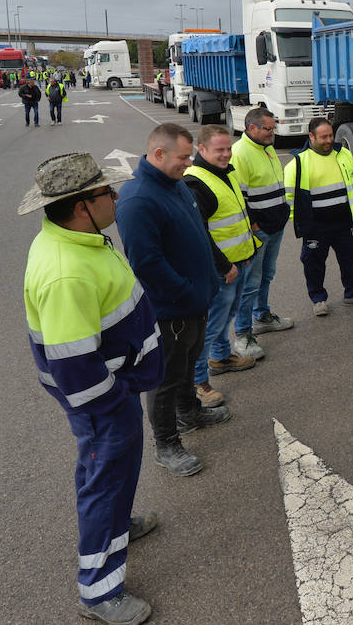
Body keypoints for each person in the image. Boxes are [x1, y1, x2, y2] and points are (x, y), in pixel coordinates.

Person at [18, 152, 161, 624]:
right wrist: (115, 403)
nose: (115, 197)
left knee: (111, 477)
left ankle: (117, 526)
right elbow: (75, 366)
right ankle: (100, 591)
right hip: (103, 401)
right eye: (106, 192)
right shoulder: (67, 271)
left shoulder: (80, 241)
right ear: (82, 205)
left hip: (112, 392)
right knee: (104, 481)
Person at [118, 123, 230, 479]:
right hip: (170, 308)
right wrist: (184, 290)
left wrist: (210, 278)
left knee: (187, 363)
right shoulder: (138, 200)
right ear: (159, 153)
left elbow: (198, 232)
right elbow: (147, 264)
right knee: (166, 377)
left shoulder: (176, 185)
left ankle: (190, 412)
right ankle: (166, 443)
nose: (189, 163)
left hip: (195, 300)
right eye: (183, 157)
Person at [183, 124, 260, 393]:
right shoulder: (195, 183)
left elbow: (235, 215)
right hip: (222, 269)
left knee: (227, 316)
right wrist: (225, 266)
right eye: (220, 149)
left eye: (229, 148)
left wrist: (247, 253)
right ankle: (199, 382)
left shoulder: (224, 172)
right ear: (201, 149)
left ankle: (222, 356)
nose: (227, 154)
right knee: (212, 325)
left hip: (237, 262)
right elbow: (200, 233)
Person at [284, 117, 353, 315]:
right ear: (311, 137)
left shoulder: (344, 155)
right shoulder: (297, 164)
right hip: (316, 227)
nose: (328, 141)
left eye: (330, 136)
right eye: (323, 137)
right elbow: (290, 199)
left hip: (345, 223)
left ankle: (352, 293)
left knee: (350, 260)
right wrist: (301, 223)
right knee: (314, 264)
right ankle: (318, 299)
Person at [231, 107, 294, 357]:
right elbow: (239, 197)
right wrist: (255, 225)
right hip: (259, 231)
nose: (272, 133)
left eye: (273, 128)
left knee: (266, 275)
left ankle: (262, 316)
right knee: (249, 283)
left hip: (274, 226)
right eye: (268, 129)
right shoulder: (240, 153)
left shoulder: (266, 148)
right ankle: (242, 334)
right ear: (251, 128)